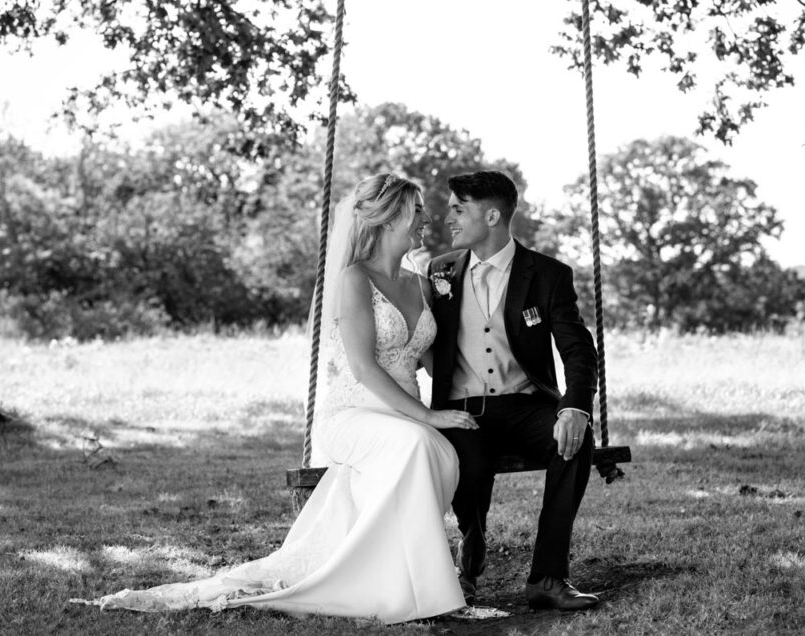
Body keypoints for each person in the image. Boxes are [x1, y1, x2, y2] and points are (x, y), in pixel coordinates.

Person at [71, 174, 478, 624]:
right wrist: (427, 416)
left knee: (439, 453)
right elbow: (363, 368)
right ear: (389, 218)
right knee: (420, 444)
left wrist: (475, 389)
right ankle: (427, 590)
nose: (427, 217)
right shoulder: (354, 280)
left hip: (402, 415)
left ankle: (395, 580)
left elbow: (434, 362)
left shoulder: (422, 283)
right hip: (355, 412)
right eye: (417, 209)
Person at [427, 170, 600, 611]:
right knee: (468, 457)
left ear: (491, 215)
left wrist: (576, 408)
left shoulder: (548, 275)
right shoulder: (439, 271)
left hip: (526, 405)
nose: (448, 217)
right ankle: (470, 561)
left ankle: (547, 576)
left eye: (458, 209)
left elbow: (578, 350)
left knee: (575, 445)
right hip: (464, 409)